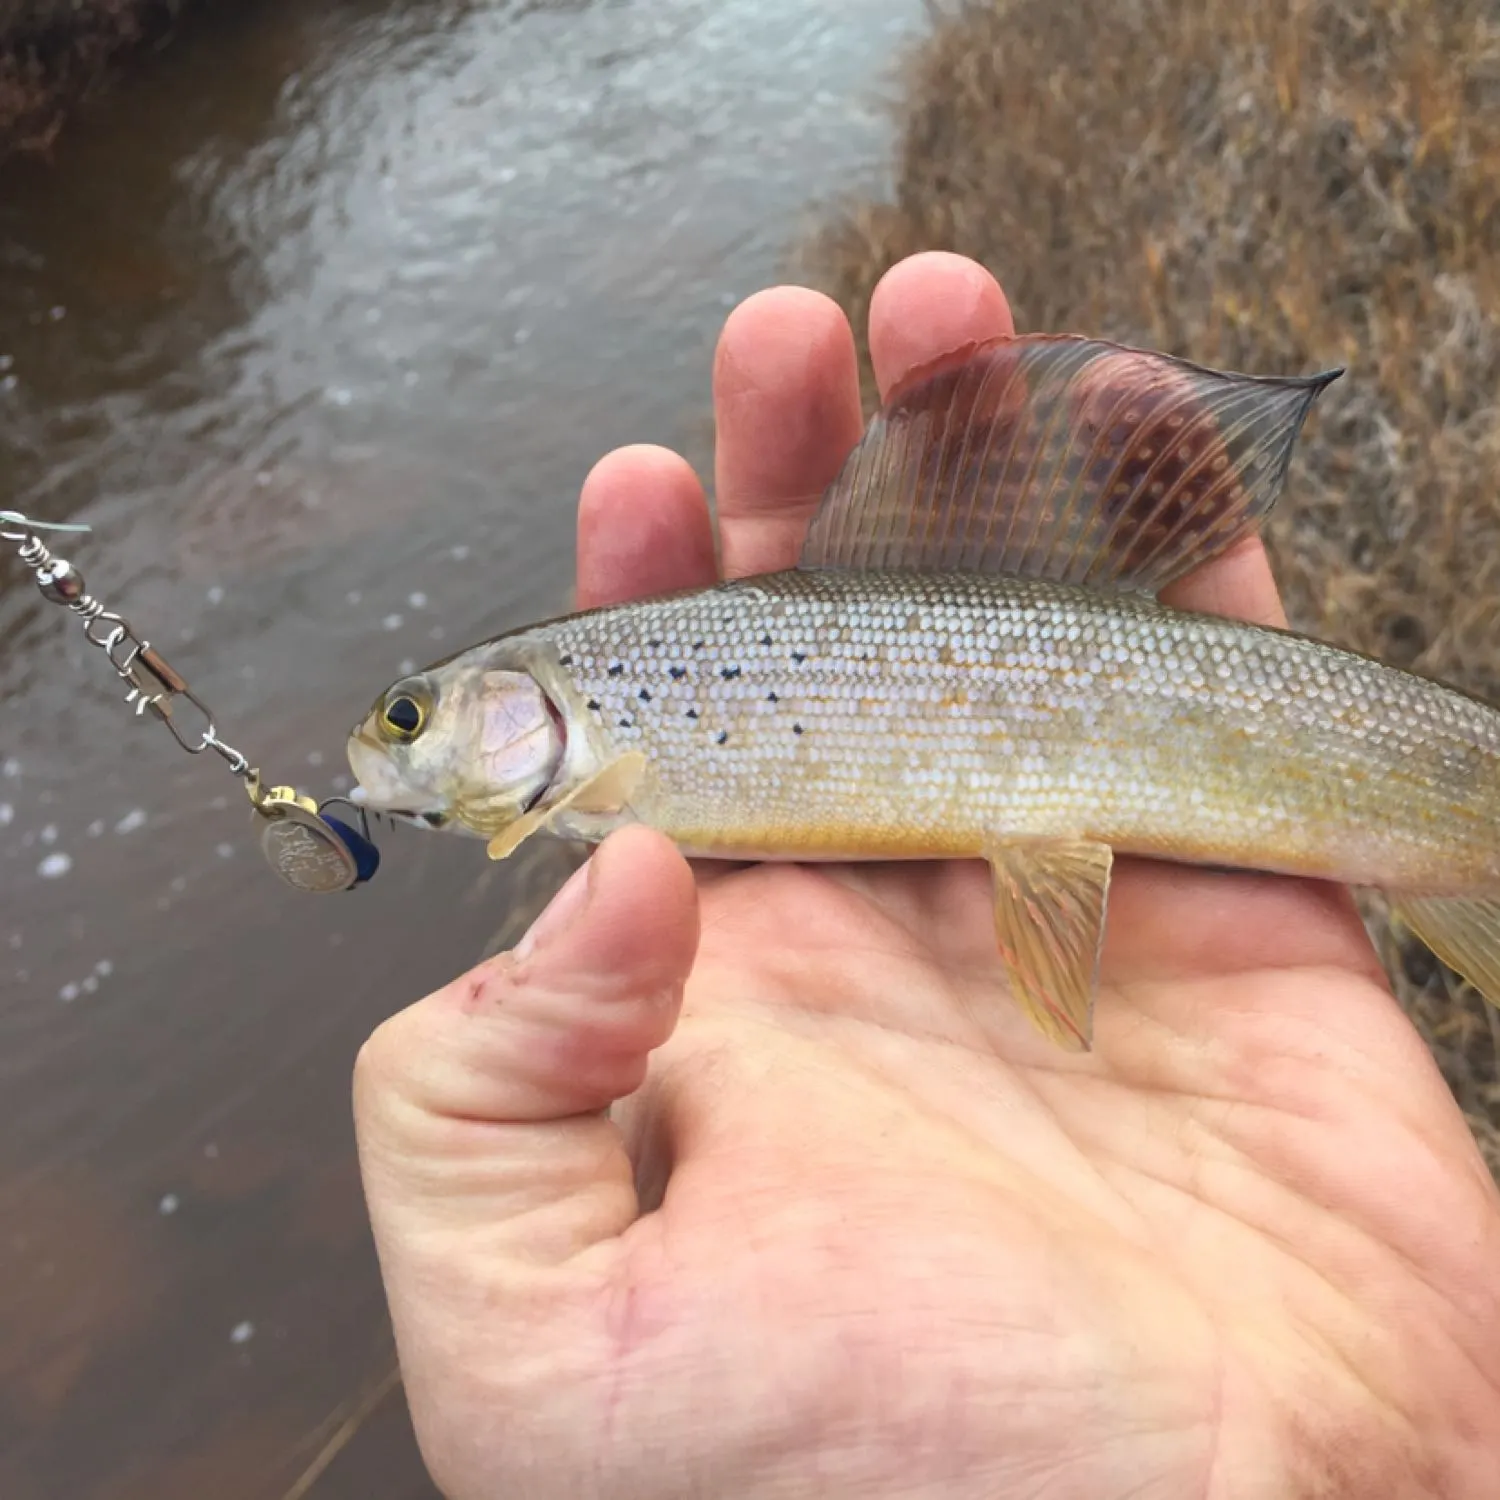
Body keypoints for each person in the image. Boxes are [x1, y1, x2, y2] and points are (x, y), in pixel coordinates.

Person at [351, 253, 1500, 1498]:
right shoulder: (596, 777)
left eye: (411, 722)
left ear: (523, 712)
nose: (391, 746)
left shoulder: (609, 775)